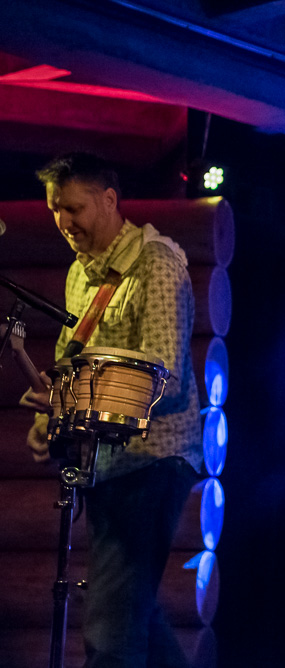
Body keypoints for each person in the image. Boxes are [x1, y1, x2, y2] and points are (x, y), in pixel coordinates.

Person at [19, 152, 203, 667]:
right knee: (133, 614)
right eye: (55, 209)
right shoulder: (81, 273)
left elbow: (165, 379)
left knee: (111, 627)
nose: (63, 221)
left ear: (109, 200)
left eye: (74, 208)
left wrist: (82, 405)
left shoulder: (156, 265)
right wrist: (50, 415)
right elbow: (68, 364)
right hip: (111, 465)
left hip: (154, 460)